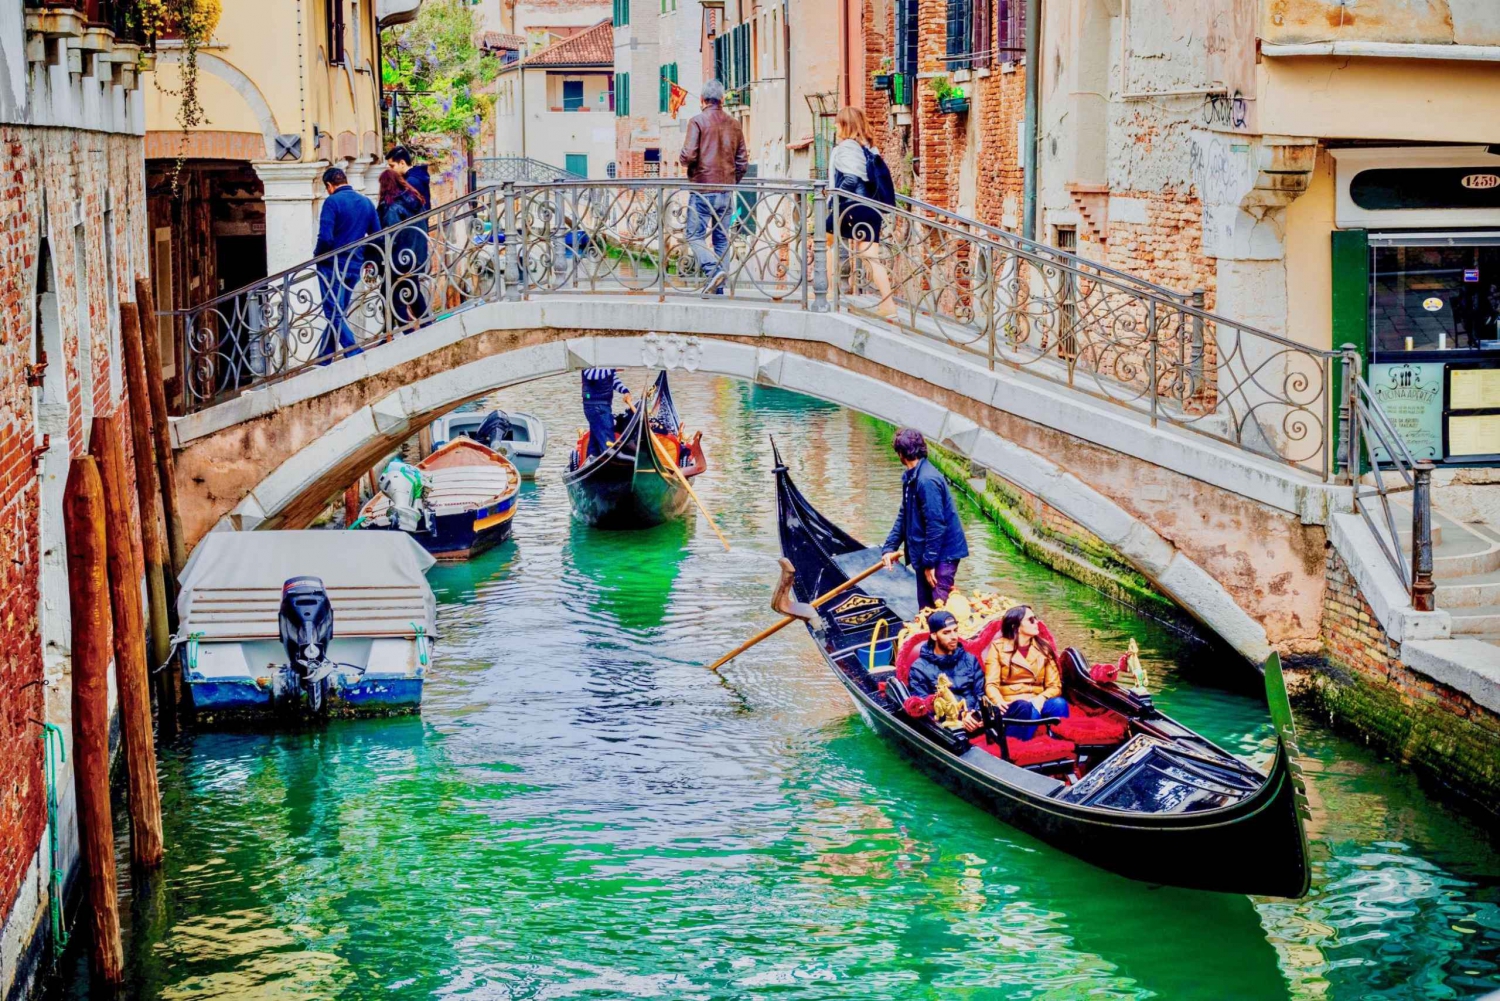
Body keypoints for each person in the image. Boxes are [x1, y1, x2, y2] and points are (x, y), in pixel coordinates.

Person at [880, 428, 969, 610]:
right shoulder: (911, 478)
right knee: (925, 608)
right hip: (926, 553)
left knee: (937, 610)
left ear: (901, 454)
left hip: (943, 555)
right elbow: (904, 515)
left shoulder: (926, 481)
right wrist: (890, 547)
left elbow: (936, 525)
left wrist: (929, 563)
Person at [678, 79, 747, 297]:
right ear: (722, 99)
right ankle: (718, 287)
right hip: (726, 190)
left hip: (702, 189)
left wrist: (682, 159)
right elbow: (742, 162)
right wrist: (731, 182)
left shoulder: (697, 121)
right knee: (721, 238)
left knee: (694, 235)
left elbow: (688, 155)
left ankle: (713, 270)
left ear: (702, 100)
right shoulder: (735, 124)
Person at [828, 107, 895, 320]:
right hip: (871, 209)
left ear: (845, 125)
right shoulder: (870, 148)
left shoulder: (846, 147)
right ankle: (888, 305)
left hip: (852, 207)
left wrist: (833, 200)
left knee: (824, 240)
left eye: (838, 123)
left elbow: (850, 180)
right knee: (870, 256)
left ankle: (828, 292)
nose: (835, 126)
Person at [315, 166, 379, 359]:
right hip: (354, 266)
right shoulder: (366, 202)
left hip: (332, 266)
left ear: (329, 185)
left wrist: (318, 255)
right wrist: (361, 255)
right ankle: (325, 357)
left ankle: (354, 352)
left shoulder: (332, 202)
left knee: (333, 311)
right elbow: (377, 236)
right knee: (338, 312)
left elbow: (325, 238)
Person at [983, 604, 1070, 741]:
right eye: (1031, 620)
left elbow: (1055, 686)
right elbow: (991, 684)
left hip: (1038, 700)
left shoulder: (1044, 648)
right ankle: (1018, 746)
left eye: (1035, 619)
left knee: (1059, 704)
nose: (1037, 623)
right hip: (1012, 704)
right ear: (1015, 626)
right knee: (1026, 708)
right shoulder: (998, 648)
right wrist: (997, 700)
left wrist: (1042, 698)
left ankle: (1061, 745)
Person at [902, 610, 984, 733]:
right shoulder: (919, 668)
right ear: (934, 635)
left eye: (955, 630)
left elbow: (981, 694)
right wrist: (961, 717)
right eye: (946, 632)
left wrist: (975, 715)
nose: (954, 637)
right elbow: (926, 706)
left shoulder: (970, 659)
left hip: (976, 720)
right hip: (947, 728)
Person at [376, 168, 429, 328]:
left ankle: (407, 334)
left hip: (400, 259)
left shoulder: (392, 208)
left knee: (393, 296)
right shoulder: (415, 200)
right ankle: (426, 325)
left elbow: (391, 237)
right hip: (416, 256)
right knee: (410, 292)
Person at [580, 367, 635, 458]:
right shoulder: (588, 361)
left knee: (595, 444)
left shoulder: (606, 366)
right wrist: (612, 368)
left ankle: (591, 460)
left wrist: (625, 391)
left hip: (603, 406)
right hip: (595, 406)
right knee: (608, 442)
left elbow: (612, 379)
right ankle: (610, 462)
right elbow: (591, 375)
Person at [384, 145, 432, 214]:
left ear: (402, 163)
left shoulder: (411, 182)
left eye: (392, 166)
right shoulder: (414, 177)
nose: (390, 170)